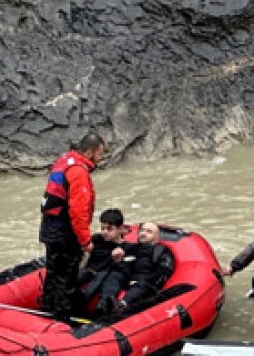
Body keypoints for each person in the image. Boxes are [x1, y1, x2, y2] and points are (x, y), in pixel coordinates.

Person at [38, 133, 106, 322]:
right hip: (64, 232)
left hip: (50, 228)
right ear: (90, 152)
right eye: (100, 153)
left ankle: (46, 311)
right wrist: (85, 241)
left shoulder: (65, 160)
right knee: (66, 278)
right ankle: (61, 322)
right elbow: (78, 211)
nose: (100, 158)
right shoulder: (79, 172)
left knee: (53, 274)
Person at [78, 208, 130, 316]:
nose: (104, 232)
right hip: (89, 272)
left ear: (120, 229)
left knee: (105, 280)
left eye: (109, 229)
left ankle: (100, 311)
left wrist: (119, 260)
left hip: (106, 277)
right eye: (103, 228)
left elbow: (126, 272)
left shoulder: (126, 248)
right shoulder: (96, 239)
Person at [114, 221, 176, 309]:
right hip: (130, 280)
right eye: (142, 230)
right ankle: (103, 302)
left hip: (148, 284)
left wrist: (141, 281)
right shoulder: (133, 248)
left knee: (141, 285)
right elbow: (125, 267)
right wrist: (119, 262)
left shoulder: (162, 251)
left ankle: (122, 305)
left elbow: (164, 270)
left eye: (149, 231)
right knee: (115, 275)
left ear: (156, 236)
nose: (143, 233)